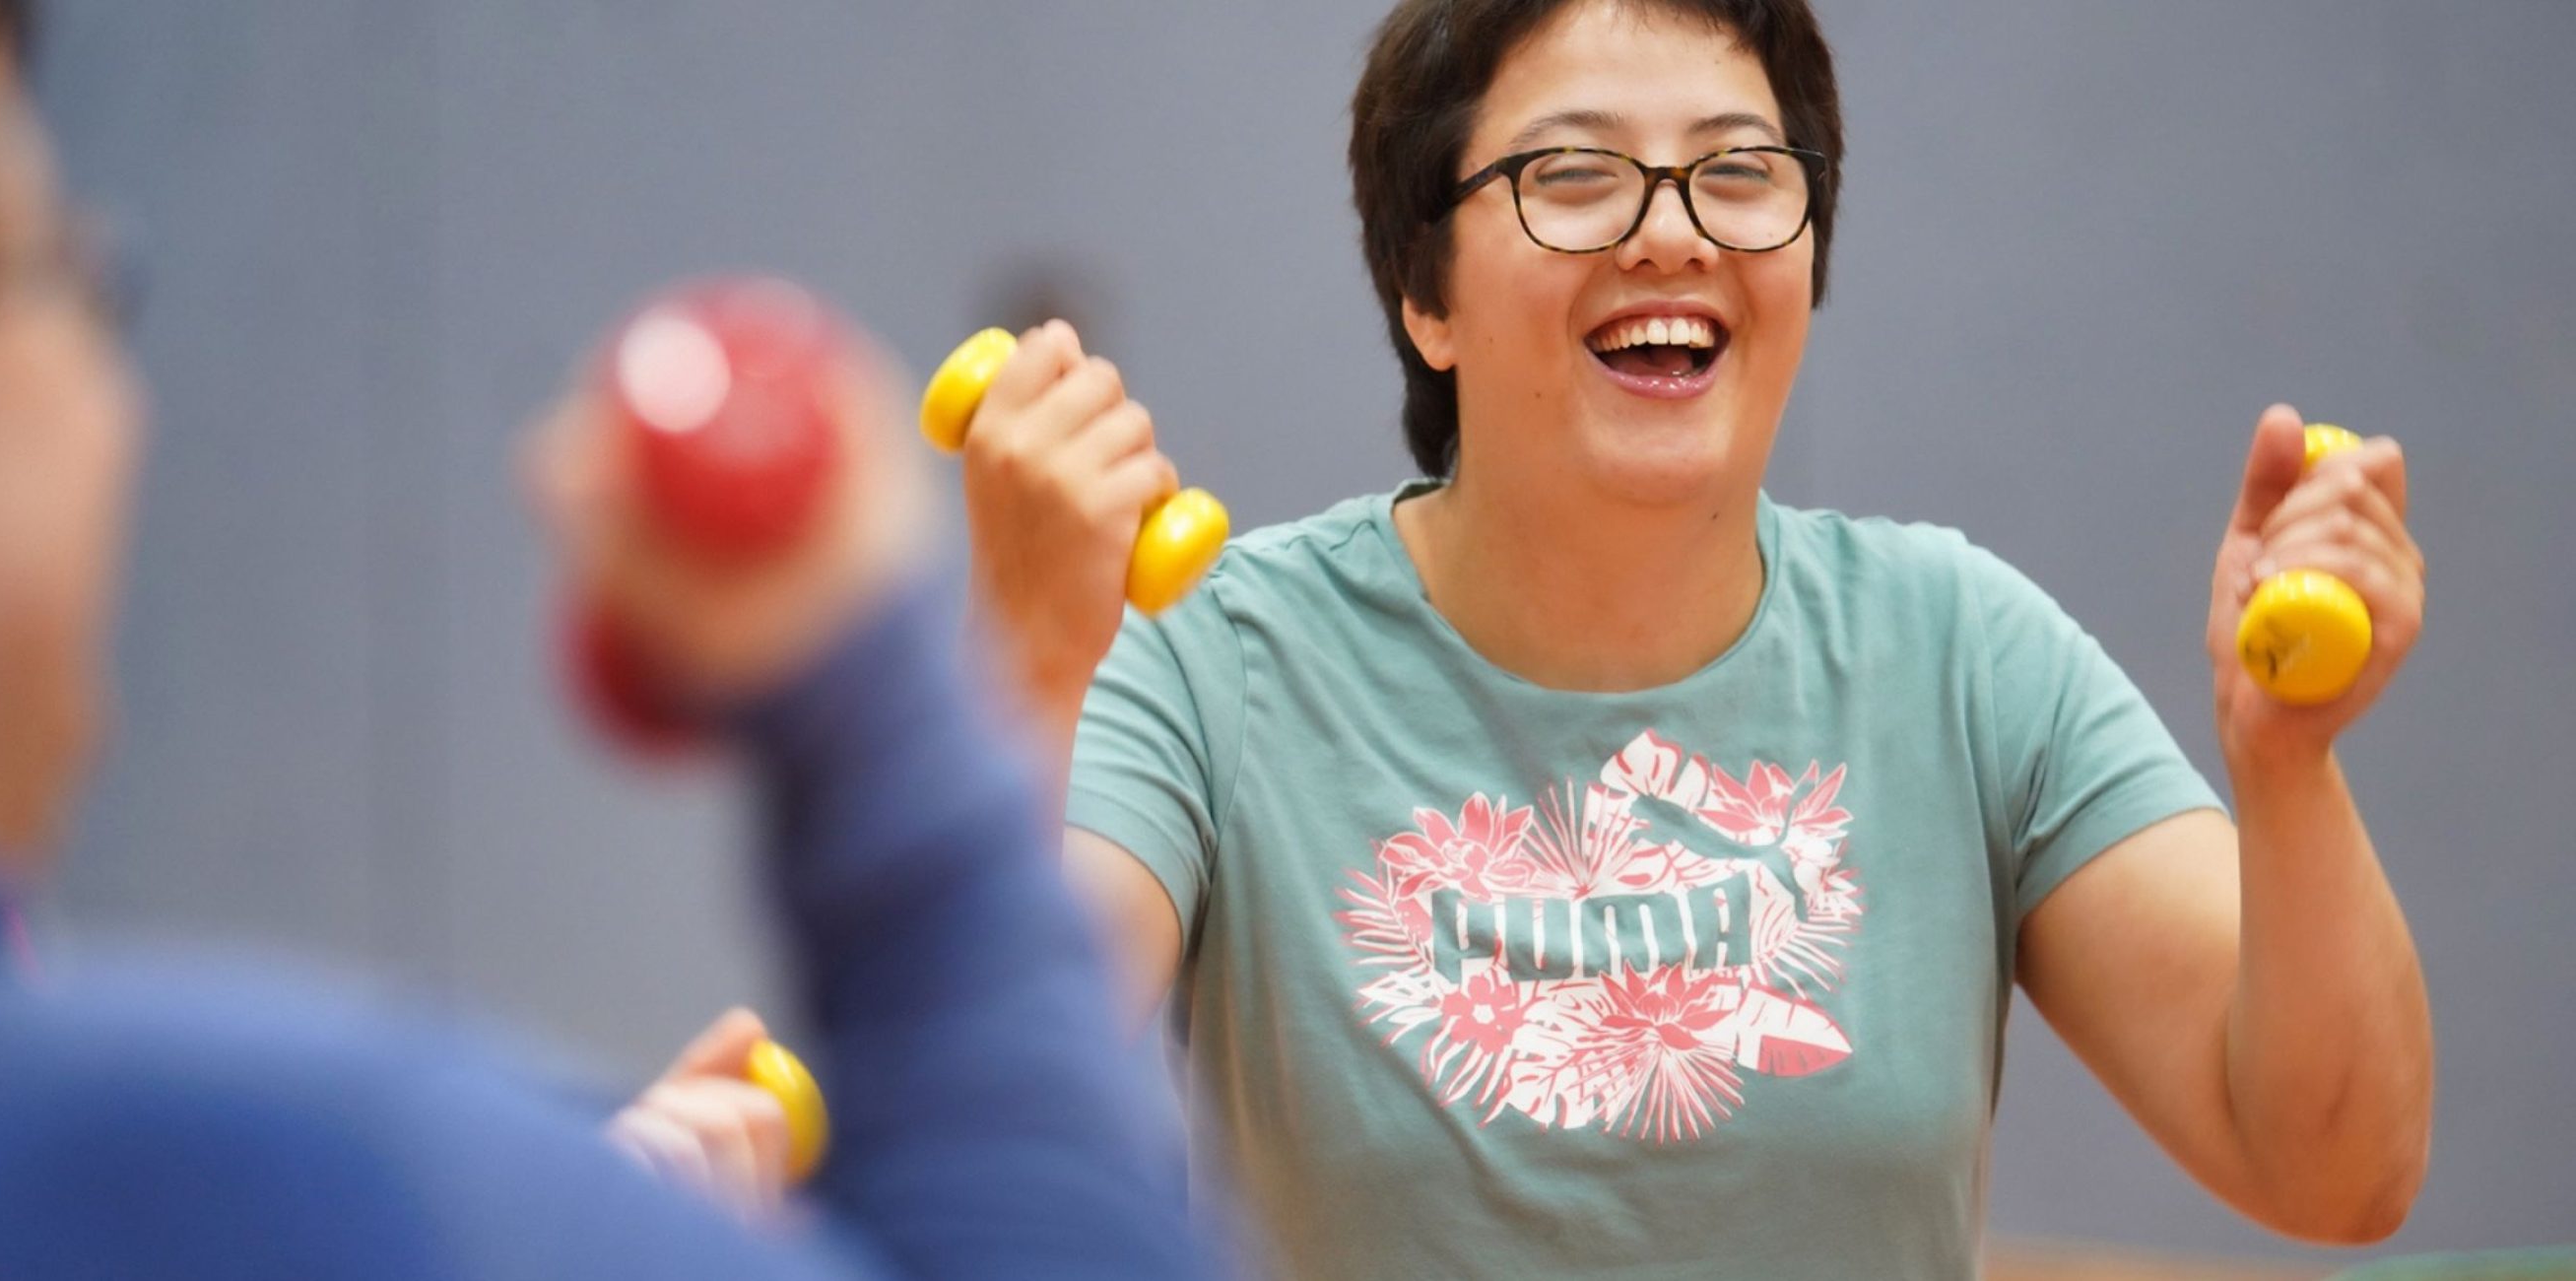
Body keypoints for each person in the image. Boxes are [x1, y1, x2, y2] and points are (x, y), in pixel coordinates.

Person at [956, 0, 2435, 1275]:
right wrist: (1029, 658)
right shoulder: (1208, 661)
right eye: (1574, 174)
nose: (1673, 234)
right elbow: (973, 1113)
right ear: (1425, 293)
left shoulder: (1965, 653)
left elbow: (2335, 1169)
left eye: (1738, 173)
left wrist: (2286, 765)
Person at [0, 1, 1210, 1276]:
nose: (105, 388)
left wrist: (609, 1194)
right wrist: (882, 700)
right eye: (60, 271)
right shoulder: (303, 1178)